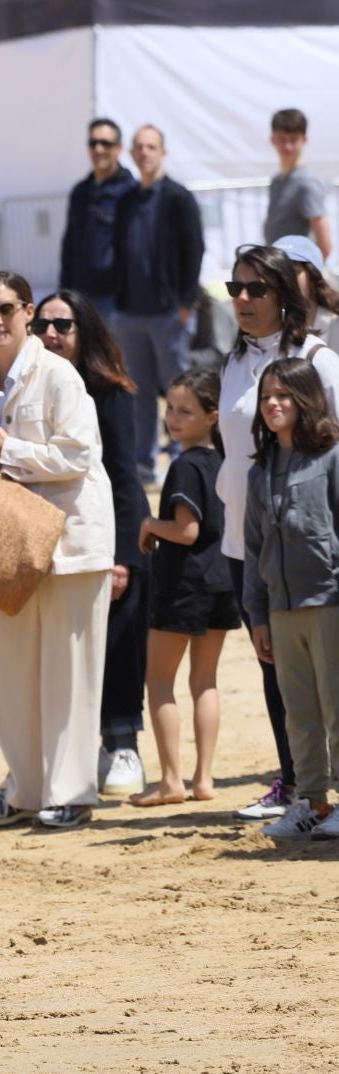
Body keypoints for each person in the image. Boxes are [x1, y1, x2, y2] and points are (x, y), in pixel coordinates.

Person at [0, 271, 115, 831]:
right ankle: (25, 790)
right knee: (11, 672)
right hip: (8, 547)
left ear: (28, 311)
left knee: (70, 672)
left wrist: (9, 449)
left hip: (70, 541)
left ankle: (71, 792)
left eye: (5, 310)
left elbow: (78, 456)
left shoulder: (59, 376)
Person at [214, 244, 339, 820]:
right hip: (250, 536)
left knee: (330, 679)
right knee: (277, 667)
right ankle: (298, 785)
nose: (241, 298)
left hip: (315, 545)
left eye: (255, 289)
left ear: (284, 296)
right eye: (235, 287)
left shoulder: (318, 357)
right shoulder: (233, 361)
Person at [32, 289, 152, 796]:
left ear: (85, 332)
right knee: (60, 649)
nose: (51, 334)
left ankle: (122, 743)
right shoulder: (29, 390)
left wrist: (123, 555)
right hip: (49, 535)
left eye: (63, 325)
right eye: (41, 326)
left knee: (120, 643)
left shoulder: (111, 392)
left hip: (111, 532)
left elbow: (126, 477)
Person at [243, 357, 339, 840]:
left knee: (337, 704)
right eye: (266, 397)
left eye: (283, 395)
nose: (273, 405)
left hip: (329, 602)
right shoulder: (260, 472)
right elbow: (253, 548)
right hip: (282, 609)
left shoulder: (332, 457)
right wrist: (258, 614)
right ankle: (313, 802)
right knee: (299, 711)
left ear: (306, 400)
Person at [133, 369, 235, 807]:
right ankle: (205, 778)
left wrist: (149, 524)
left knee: (159, 681)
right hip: (224, 579)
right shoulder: (229, 462)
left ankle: (172, 780)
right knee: (205, 680)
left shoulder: (185, 465)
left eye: (185, 411)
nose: (173, 419)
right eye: (170, 408)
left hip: (184, 585)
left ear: (212, 416)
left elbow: (187, 530)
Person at [112, 125, 204, 485]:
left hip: (168, 313)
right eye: (139, 147)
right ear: (132, 154)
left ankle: (187, 458)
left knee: (179, 391)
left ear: (163, 152)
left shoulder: (178, 197)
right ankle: (144, 464)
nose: (144, 153)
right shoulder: (126, 200)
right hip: (131, 313)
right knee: (140, 393)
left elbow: (194, 249)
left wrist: (185, 304)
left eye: (151, 146)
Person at [60, 118, 136, 307]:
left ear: (119, 148)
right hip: (81, 295)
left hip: (118, 298)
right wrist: (65, 292)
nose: (99, 149)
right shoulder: (80, 192)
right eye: (93, 143)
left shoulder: (132, 192)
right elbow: (69, 244)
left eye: (106, 144)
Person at [266, 109, 332, 261]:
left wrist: (310, 278)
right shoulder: (276, 181)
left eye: (293, 139)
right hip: (279, 270)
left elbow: (325, 245)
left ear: (304, 140)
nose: (287, 146)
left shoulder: (306, 183)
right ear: (273, 140)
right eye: (282, 139)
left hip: (297, 274)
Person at [274, 234, 339, 350]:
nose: (284, 279)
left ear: (313, 277)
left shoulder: (334, 326)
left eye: (293, 271)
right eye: (276, 273)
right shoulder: (262, 325)